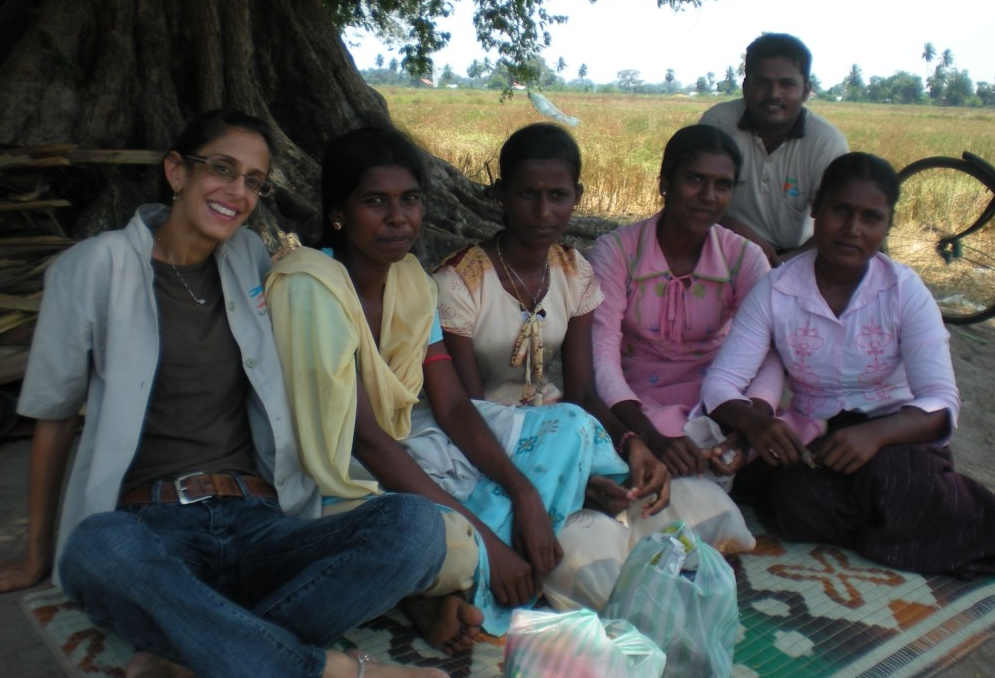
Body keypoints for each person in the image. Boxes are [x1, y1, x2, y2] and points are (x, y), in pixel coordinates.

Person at [0, 110, 449, 678]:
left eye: (254, 181)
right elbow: (53, 415)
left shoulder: (251, 262)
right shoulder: (94, 267)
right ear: (176, 171)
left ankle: (192, 658)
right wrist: (37, 554)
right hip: (149, 527)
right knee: (96, 546)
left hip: (257, 521)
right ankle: (342, 670)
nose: (237, 192)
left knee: (414, 527)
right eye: (221, 169)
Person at [264, 126, 662, 638]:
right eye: (374, 202)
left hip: (410, 441)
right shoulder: (311, 286)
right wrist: (491, 543)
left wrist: (524, 494)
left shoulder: (408, 280)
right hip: (338, 469)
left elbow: (453, 407)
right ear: (338, 212)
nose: (397, 217)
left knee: (569, 425)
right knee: (437, 540)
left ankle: (460, 578)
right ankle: (460, 582)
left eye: (409, 200)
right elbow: (365, 438)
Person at [432, 123, 697, 611]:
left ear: (577, 196)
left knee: (661, 495)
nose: (543, 211)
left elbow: (583, 394)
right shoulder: (460, 282)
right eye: (527, 194)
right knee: (589, 541)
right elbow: (470, 414)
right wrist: (569, 474)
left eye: (558, 195)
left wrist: (632, 442)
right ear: (500, 195)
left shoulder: (574, 270)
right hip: (487, 445)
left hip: (559, 425)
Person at [701, 151, 995, 576]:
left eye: (871, 218)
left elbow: (940, 400)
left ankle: (908, 519)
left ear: (887, 225)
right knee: (792, 499)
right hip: (820, 439)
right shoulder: (776, 290)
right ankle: (900, 530)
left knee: (893, 477)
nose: (853, 230)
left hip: (897, 433)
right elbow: (721, 384)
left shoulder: (903, 290)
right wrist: (755, 424)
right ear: (817, 209)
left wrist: (875, 435)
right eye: (841, 211)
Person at [589, 124, 783, 481]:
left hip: (722, 399)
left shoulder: (744, 258)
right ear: (665, 183)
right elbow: (601, 352)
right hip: (637, 403)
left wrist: (748, 429)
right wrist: (647, 437)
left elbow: (770, 351)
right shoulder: (616, 253)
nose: (708, 196)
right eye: (694, 179)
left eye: (722, 185)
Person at [699, 33, 848, 266]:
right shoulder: (719, 124)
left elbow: (839, 222)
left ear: (806, 90)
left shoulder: (826, 142)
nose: (774, 94)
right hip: (721, 248)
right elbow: (694, 198)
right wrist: (740, 235)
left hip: (800, 257)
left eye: (787, 84)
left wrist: (785, 265)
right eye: (762, 83)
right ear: (746, 86)